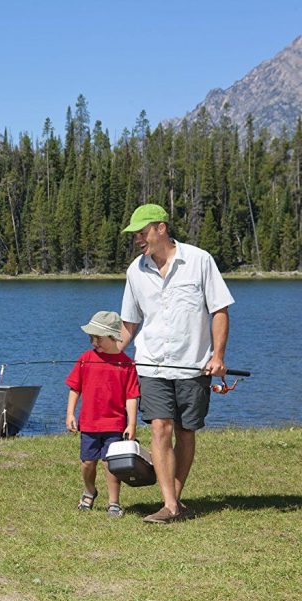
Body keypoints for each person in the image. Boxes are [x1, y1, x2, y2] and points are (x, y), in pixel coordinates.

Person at [118, 204, 235, 524]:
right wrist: (108, 352)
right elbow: (130, 323)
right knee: (160, 427)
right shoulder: (134, 271)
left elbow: (220, 311)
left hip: (193, 366)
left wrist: (218, 356)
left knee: (185, 431)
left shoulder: (199, 261)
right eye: (135, 235)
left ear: (161, 228)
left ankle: (175, 499)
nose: (138, 239)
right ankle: (169, 505)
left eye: (143, 233)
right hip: (151, 365)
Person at [66, 311, 140, 518]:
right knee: (88, 462)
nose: (93, 341)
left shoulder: (127, 364)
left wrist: (131, 424)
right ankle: (89, 490)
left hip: (115, 424)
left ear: (113, 336)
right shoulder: (85, 359)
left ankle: (113, 502)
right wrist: (70, 413)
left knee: (111, 464)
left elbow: (131, 396)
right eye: (91, 337)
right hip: (89, 423)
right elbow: (75, 388)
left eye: (97, 337)